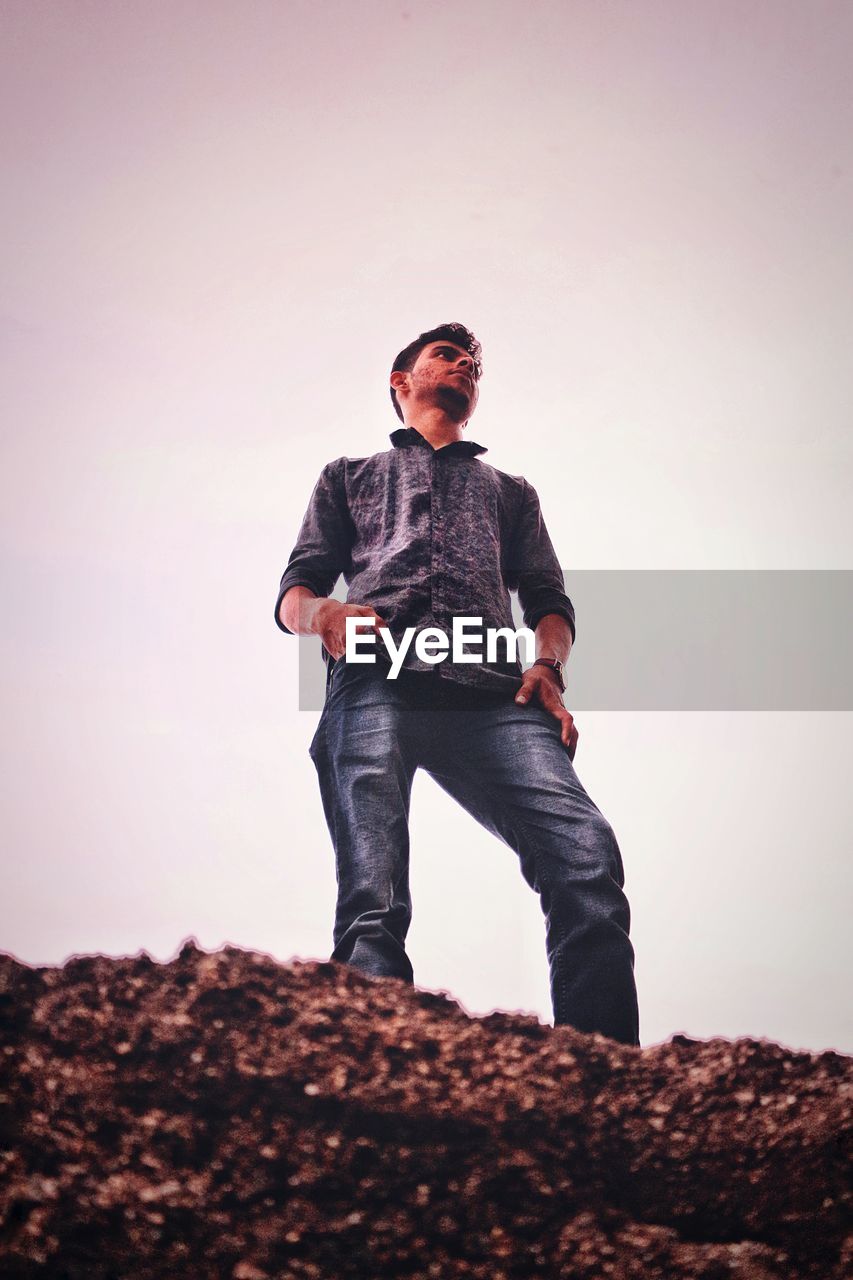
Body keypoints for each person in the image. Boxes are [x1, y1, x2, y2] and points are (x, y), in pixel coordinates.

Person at [274, 323, 639, 1045]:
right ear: (400, 382)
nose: (466, 365)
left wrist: (548, 666)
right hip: (375, 681)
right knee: (372, 896)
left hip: (494, 699)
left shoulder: (511, 493)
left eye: (473, 364)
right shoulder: (347, 476)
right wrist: (326, 615)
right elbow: (296, 592)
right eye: (446, 355)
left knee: (586, 861)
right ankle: (379, 1061)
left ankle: (604, 1073)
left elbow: (547, 602)